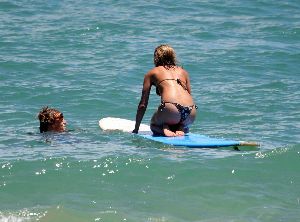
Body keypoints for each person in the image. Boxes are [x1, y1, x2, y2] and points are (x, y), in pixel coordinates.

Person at [132, 44, 197, 137]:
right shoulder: (183, 72)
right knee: (184, 126)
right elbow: (189, 94)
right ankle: (181, 127)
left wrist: (136, 129)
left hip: (171, 110)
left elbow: (143, 104)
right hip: (191, 111)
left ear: (156, 58)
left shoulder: (152, 72)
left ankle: (164, 128)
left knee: (153, 125)